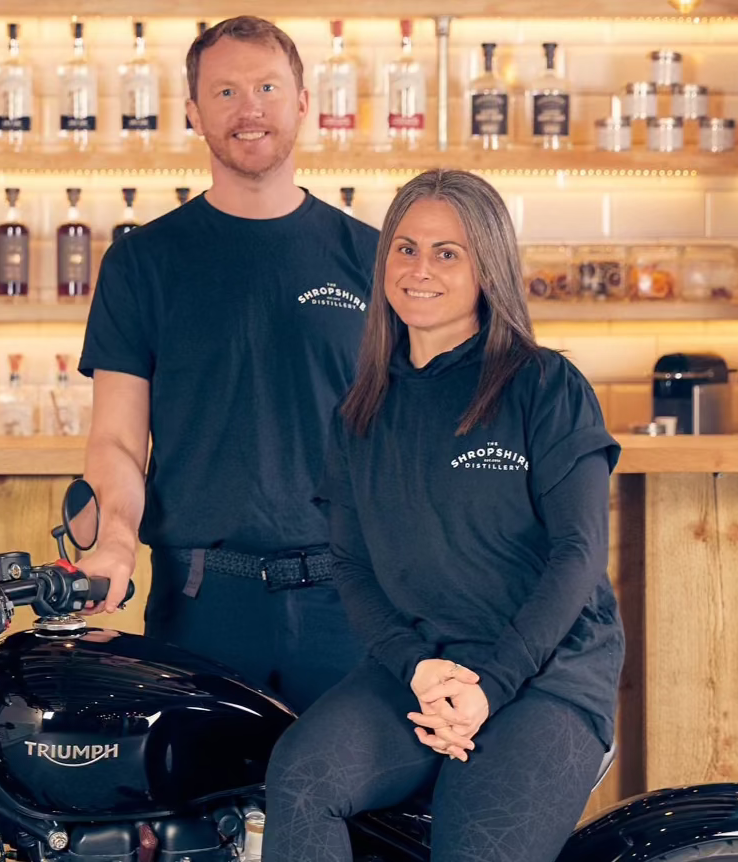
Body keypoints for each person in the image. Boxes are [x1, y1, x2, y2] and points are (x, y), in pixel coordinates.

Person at [263, 169, 626, 862]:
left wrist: (489, 686)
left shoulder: (543, 386)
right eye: (405, 249)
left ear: (487, 267)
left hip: (543, 675)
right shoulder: (361, 411)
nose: (419, 269)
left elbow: (576, 555)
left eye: (447, 252)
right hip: (421, 669)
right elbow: (353, 565)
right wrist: (419, 669)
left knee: (474, 843)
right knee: (302, 778)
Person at [75, 17, 379, 712]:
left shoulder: (371, 257)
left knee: (354, 816)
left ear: (303, 102)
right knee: (187, 817)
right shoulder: (143, 263)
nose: (249, 109)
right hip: (200, 602)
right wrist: (116, 539)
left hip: (349, 599)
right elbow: (117, 441)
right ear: (193, 112)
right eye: (225, 91)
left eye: (267, 87)